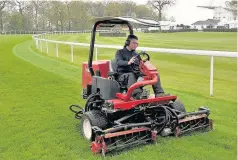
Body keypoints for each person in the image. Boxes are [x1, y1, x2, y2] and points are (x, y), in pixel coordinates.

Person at [115, 34, 167, 99]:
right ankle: (137, 95)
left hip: (136, 73)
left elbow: (140, 65)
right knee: (131, 75)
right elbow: (119, 62)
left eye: (137, 43)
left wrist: (145, 67)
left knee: (154, 74)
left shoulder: (136, 54)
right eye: (134, 43)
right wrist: (128, 62)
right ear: (127, 42)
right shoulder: (120, 52)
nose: (135, 45)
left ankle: (159, 93)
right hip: (123, 75)